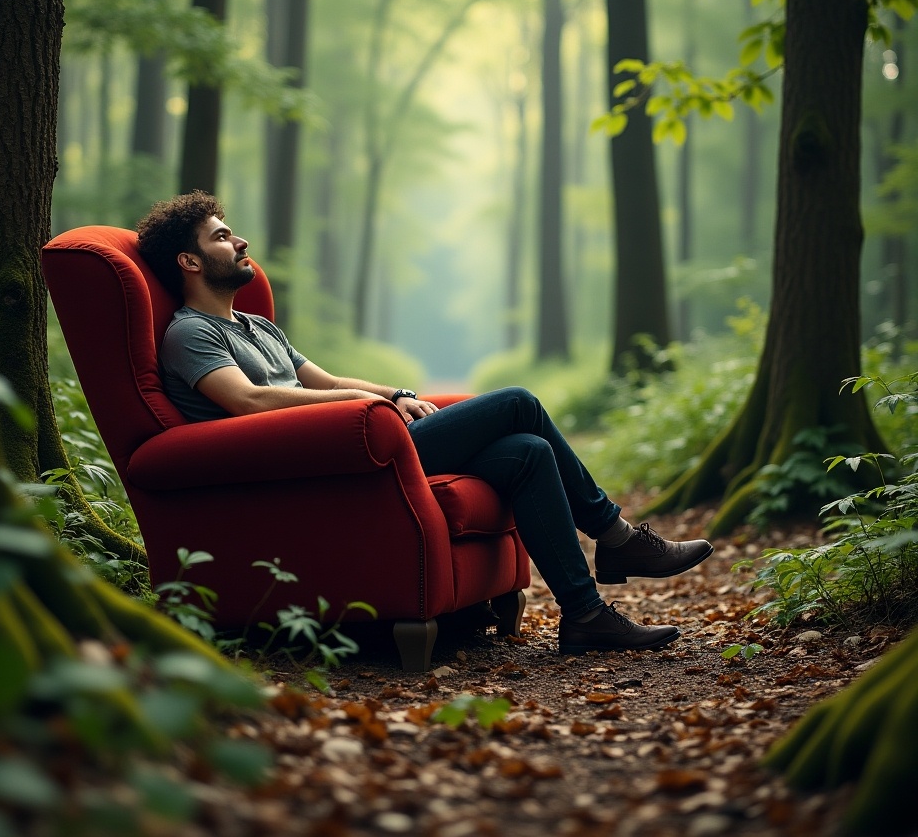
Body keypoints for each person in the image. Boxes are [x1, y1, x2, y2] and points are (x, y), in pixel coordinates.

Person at [136, 191, 713, 656]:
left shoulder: (257, 327)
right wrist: (371, 414)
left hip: (353, 440)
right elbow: (251, 403)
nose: (239, 241)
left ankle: (585, 617)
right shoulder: (192, 334)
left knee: (527, 451)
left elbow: (328, 382)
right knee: (517, 401)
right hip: (328, 459)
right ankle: (617, 539)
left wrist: (397, 394)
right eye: (220, 236)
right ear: (189, 262)